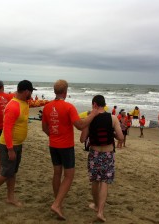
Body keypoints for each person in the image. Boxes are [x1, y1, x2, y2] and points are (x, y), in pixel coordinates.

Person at [41, 79, 99, 220]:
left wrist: (54, 135)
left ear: (56, 92)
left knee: (57, 173)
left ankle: (57, 202)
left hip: (53, 145)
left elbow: (44, 128)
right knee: (69, 176)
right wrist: (93, 114)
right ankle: (56, 204)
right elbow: (79, 125)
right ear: (66, 92)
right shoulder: (68, 107)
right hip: (66, 146)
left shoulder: (47, 107)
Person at [0, 80, 36, 207]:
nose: (31, 94)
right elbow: (6, 130)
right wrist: (10, 149)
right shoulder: (13, 106)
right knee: (5, 173)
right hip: (8, 145)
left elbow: (35, 103)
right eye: (30, 92)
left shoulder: (24, 102)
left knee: (12, 172)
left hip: (18, 144)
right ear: (26, 91)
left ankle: (10, 197)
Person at [80, 95, 123, 222]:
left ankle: (96, 205)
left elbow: (82, 139)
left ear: (94, 104)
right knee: (105, 182)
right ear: (104, 105)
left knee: (95, 181)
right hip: (108, 154)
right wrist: (112, 133)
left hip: (95, 153)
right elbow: (121, 137)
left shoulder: (90, 119)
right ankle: (100, 212)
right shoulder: (113, 118)